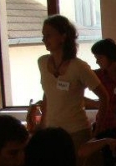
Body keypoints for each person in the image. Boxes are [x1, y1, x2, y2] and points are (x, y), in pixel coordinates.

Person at [37, 15, 109, 151]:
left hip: (76, 133)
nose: (44, 39)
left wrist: (98, 127)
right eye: (43, 35)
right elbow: (47, 95)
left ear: (63, 37)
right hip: (51, 133)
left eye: (48, 35)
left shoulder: (79, 66)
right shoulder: (42, 62)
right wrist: (42, 124)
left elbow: (104, 97)